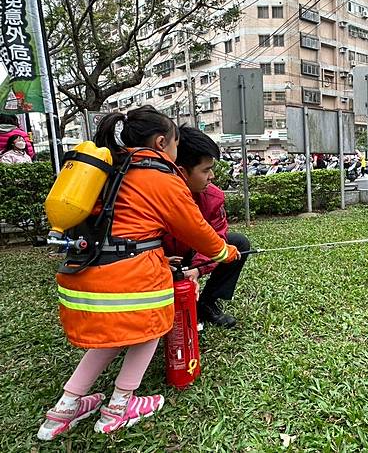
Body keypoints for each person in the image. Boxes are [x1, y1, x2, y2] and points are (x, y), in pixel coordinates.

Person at [37, 106, 240, 441]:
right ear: (162, 142)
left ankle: (63, 409)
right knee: (149, 330)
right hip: (129, 279)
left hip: (83, 276)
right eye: (175, 144)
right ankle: (118, 408)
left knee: (116, 337)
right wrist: (225, 252)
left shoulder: (112, 168)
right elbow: (198, 230)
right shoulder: (159, 176)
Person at [163, 126, 251, 328]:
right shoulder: (156, 196)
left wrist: (196, 270)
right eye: (205, 170)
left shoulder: (213, 197)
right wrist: (160, 262)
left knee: (237, 243)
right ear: (182, 172)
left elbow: (218, 237)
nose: (212, 176)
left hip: (192, 255)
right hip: (160, 260)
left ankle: (207, 303)